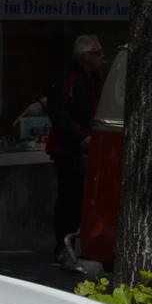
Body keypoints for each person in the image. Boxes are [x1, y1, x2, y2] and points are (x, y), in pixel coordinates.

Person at [45, 34, 106, 270]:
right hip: (69, 149)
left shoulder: (96, 78)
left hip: (92, 145)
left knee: (85, 199)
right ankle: (62, 246)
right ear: (85, 56)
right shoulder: (66, 78)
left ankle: (81, 244)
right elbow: (59, 113)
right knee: (69, 198)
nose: (102, 57)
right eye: (98, 53)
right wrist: (81, 137)